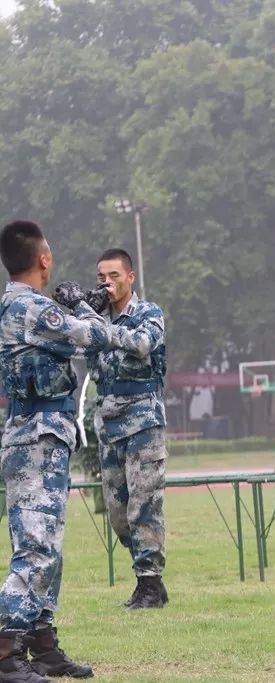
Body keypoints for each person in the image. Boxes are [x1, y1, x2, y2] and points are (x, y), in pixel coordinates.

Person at [0, 220, 111, 682]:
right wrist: (85, 304)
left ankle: (41, 643)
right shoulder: (30, 308)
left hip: (40, 434)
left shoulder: (20, 305)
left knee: (48, 547)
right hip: (37, 437)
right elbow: (98, 336)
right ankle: (5, 651)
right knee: (35, 549)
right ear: (42, 258)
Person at [87, 249, 168, 609]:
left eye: (114, 275)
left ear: (130, 277)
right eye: (102, 276)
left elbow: (142, 344)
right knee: (118, 514)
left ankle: (150, 583)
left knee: (144, 504)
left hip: (143, 421)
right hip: (108, 422)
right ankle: (146, 579)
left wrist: (95, 323)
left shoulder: (148, 313)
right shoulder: (94, 318)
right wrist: (72, 309)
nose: (107, 282)